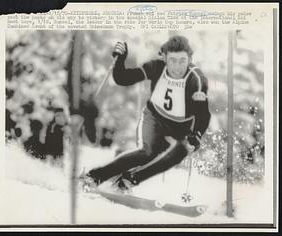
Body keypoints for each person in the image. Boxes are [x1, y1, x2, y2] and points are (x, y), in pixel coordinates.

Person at [80, 35, 211, 192]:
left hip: (181, 127)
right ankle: (94, 177)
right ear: (164, 58)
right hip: (154, 118)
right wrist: (120, 60)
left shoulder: (196, 80)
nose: (177, 67)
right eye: (172, 61)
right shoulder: (156, 66)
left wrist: (196, 135)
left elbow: (203, 115)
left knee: (180, 151)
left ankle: (128, 181)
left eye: (182, 61)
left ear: (190, 59)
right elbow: (123, 79)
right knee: (147, 152)